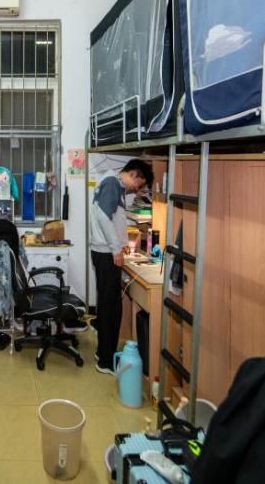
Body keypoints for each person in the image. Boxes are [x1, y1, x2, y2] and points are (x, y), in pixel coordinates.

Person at [89, 158, 153, 375]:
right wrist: (116, 249)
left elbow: (111, 218)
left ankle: (102, 352)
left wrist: (120, 245)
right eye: (138, 184)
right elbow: (103, 217)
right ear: (133, 174)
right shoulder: (112, 183)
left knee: (108, 305)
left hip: (105, 251)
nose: (136, 189)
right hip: (106, 253)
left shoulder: (112, 183)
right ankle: (106, 361)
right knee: (111, 309)